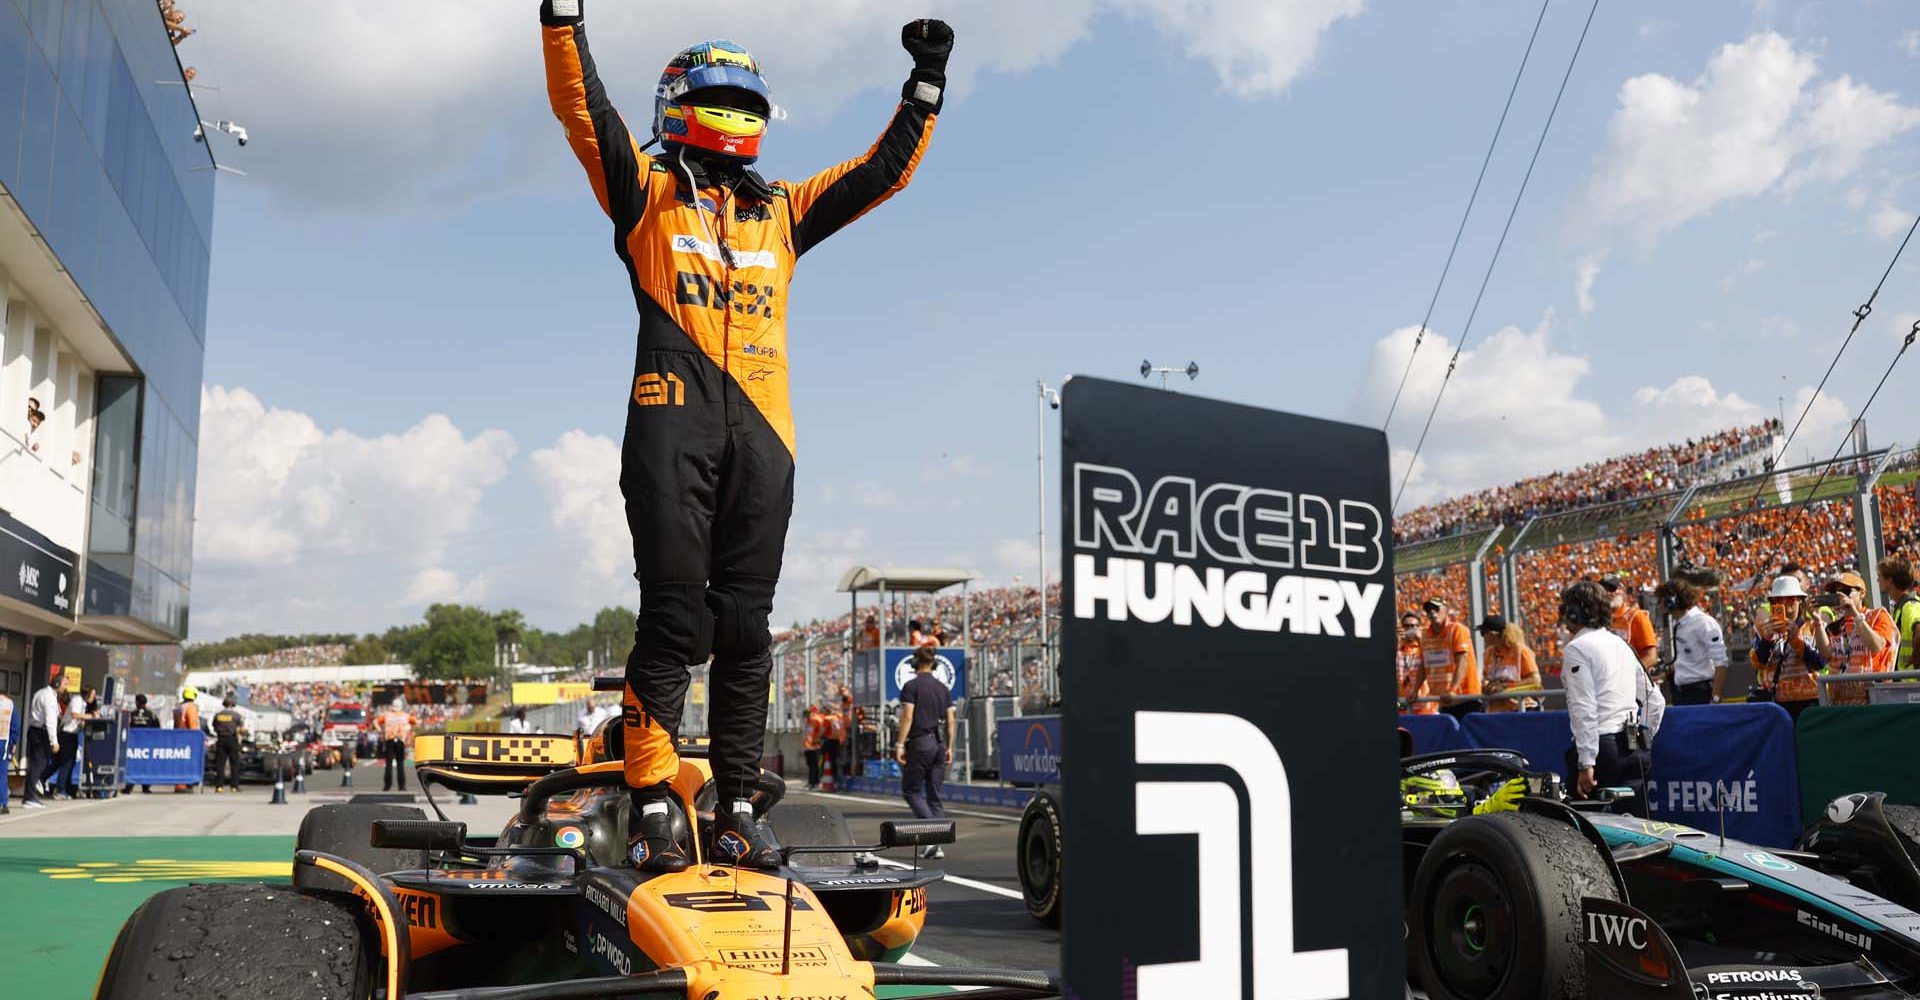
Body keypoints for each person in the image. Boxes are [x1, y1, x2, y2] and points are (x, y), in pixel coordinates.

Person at [540, 0, 953, 872]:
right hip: (671, 417)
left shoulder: (785, 211)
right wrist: (563, 20)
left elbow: (882, 173)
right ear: (681, 107)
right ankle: (651, 793)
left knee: (747, 628)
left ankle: (733, 801)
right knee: (676, 612)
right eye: (718, 98)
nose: (734, 113)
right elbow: (586, 112)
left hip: (767, 435)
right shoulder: (646, 192)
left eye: (745, 100)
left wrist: (924, 87)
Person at [1558, 581, 1665, 816]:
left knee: (1584, 832)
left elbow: (1583, 708)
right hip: (1634, 748)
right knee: (1638, 832)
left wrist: (1586, 762)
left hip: (1601, 749)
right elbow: (1654, 700)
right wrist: (1644, 737)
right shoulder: (1621, 643)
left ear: (1574, 612)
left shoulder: (1576, 649)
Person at [894, 646, 955, 854]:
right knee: (934, 795)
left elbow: (908, 717)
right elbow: (951, 720)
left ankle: (932, 837)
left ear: (915, 663)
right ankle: (936, 845)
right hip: (939, 744)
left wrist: (900, 744)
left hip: (920, 743)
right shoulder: (942, 688)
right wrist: (950, 746)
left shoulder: (911, 686)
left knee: (911, 791)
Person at [1812, 571, 1895, 707]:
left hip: (1871, 697)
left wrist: (1856, 614)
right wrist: (1817, 621)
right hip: (1840, 699)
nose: (1840, 596)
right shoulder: (1836, 626)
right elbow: (1827, 654)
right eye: (1835, 593)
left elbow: (1876, 647)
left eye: (1845, 591)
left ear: (1861, 593)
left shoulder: (1878, 615)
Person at [1751, 575, 1825, 720]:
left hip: (1809, 700)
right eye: (1778, 600)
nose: (1785, 603)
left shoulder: (1812, 626)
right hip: (1777, 701)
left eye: (1790, 599)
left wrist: (1795, 640)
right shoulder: (1765, 629)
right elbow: (1758, 663)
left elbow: (1820, 662)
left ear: (1800, 600)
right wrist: (1767, 640)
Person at [1659, 578, 1728, 705]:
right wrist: (1664, 674)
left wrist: (1716, 697)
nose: (1659, 604)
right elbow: (1688, 659)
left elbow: (1721, 662)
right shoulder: (1679, 623)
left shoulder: (1703, 622)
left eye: (1662, 600)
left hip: (1699, 692)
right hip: (1680, 692)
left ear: (1672, 600)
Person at [1419, 599, 1480, 719]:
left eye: (1436, 608)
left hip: (1465, 698)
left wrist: (1452, 689)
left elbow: (1462, 661)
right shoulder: (1425, 635)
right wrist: (1415, 690)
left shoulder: (1457, 629)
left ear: (1446, 610)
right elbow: (1423, 664)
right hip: (1444, 700)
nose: (1431, 612)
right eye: (1428, 610)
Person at [1477, 616, 1541, 713]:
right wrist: (1486, 685)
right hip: (1495, 710)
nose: (1482, 637)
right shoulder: (1488, 653)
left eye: (1483, 633)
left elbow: (1535, 680)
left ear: (1493, 633)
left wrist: (1505, 687)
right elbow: (1486, 677)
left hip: (1520, 707)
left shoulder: (1521, 651)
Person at [1601, 577, 1660, 672]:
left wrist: (1627, 675)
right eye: (1603, 591)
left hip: (1633, 682)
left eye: (1612, 589)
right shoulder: (1597, 621)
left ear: (1622, 591)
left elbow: (1651, 657)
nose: (1608, 593)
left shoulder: (1637, 617)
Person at [23, 677, 61, 808]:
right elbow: (50, 720)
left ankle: (30, 795)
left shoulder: (40, 693)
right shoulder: (48, 697)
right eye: (65, 684)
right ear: (57, 684)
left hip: (34, 731)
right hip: (41, 732)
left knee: (36, 764)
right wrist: (54, 741)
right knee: (38, 764)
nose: (66, 687)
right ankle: (30, 797)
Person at [1878, 556, 1920, 673]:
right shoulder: (1900, 608)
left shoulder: (1909, 607)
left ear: (1890, 580)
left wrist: (1916, 663)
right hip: (1906, 684)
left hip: (1912, 685)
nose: (1878, 580)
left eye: (1880, 576)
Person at [1396, 612, 1434, 715]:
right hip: (1401, 704)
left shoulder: (1423, 647)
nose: (1409, 629)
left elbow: (1430, 659)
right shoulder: (1398, 649)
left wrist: (1420, 639)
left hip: (1424, 704)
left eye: (1413, 626)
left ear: (1419, 628)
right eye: (1406, 626)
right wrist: (1398, 642)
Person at [123, 694, 161, 794]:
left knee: (132, 765)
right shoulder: (151, 714)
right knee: (146, 765)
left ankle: (129, 787)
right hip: (147, 745)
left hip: (134, 745)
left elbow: (127, 726)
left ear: (136, 702)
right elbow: (157, 728)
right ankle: (146, 787)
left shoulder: (132, 714)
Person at [376, 700, 414, 792]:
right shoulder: (405, 716)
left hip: (390, 740)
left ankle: (387, 786)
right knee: (400, 764)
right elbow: (415, 721)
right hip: (401, 741)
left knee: (388, 764)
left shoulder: (387, 715)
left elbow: (375, 722)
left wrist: (381, 731)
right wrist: (409, 732)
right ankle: (401, 786)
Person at [209, 694, 244, 792]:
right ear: (233, 704)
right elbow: (241, 729)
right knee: (234, 763)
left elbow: (214, 727)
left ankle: (219, 786)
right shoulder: (236, 715)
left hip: (221, 739)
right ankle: (234, 786)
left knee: (220, 764)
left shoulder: (218, 715)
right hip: (232, 739)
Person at [173, 686, 201, 793]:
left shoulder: (178, 706)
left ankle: (179, 784)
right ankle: (184, 784)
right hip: (188, 739)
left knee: (179, 761)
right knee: (187, 762)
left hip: (177, 737)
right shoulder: (191, 707)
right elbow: (193, 725)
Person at [801, 704, 823, 790]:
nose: (806, 716)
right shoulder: (807, 723)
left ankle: (815, 782)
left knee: (815, 766)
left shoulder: (816, 721)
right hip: (807, 747)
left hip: (814, 747)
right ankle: (811, 782)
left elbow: (821, 730)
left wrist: (817, 740)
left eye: (808, 713)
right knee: (810, 765)